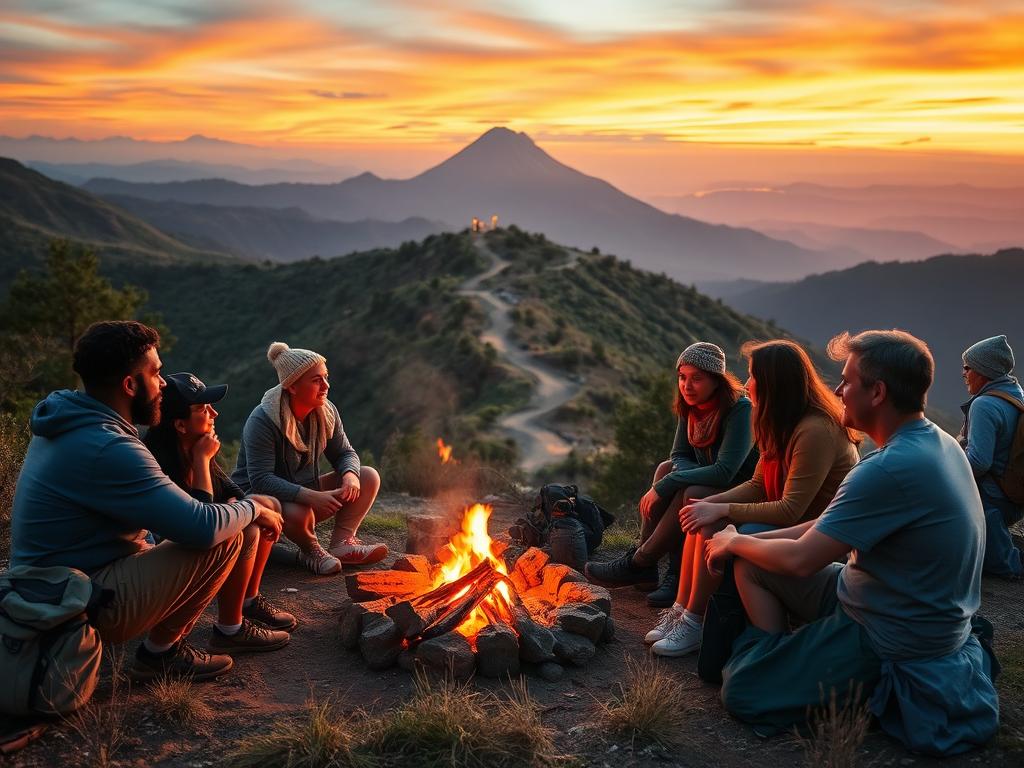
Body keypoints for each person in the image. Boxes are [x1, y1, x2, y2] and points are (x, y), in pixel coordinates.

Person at [705, 330, 997, 755]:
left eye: (847, 381)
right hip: (870, 593)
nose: (838, 390)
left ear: (877, 392)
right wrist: (745, 539)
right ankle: (789, 659)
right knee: (754, 555)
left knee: (742, 691)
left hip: (889, 631)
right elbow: (825, 526)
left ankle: (784, 667)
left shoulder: (888, 468)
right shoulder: (938, 441)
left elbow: (802, 560)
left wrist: (731, 541)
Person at [10, 321, 284, 681]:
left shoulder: (71, 421)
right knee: (226, 534)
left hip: (50, 587)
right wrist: (254, 507)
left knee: (229, 523)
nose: (163, 384)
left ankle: (178, 644)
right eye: (156, 373)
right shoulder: (109, 446)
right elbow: (202, 528)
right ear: (130, 385)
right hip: (73, 603)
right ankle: (161, 654)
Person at [646, 339, 859, 656]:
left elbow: (791, 510)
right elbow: (759, 485)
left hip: (814, 538)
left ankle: (693, 622)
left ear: (774, 383)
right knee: (702, 512)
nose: (746, 384)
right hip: (792, 522)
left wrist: (722, 510)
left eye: (753, 376)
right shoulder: (780, 421)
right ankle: (680, 610)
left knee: (712, 523)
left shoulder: (815, 431)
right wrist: (711, 505)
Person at [584, 342, 757, 605]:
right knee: (665, 469)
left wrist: (670, 482)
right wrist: (674, 477)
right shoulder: (691, 405)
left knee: (687, 487)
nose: (687, 386)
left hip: (741, 487)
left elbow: (725, 472)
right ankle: (647, 570)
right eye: (682, 377)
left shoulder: (739, 409)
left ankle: (650, 564)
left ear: (716, 380)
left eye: (697, 378)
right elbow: (678, 454)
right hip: (710, 480)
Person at [144, 372, 297, 652]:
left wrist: (249, 507)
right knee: (247, 527)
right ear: (180, 424)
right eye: (203, 409)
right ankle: (230, 629)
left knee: (266, 504)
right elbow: (198, 523)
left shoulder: (192, 448)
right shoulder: (160, 465)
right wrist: (202, 461)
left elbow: (233, 493)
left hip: (190, 551)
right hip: (164, 568)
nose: (214, 413)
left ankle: (248, 600)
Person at [232, 342, 385, 575]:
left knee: (367, 476)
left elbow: (345, 453)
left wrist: (350, 475)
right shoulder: (263, 420)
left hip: (304, 493)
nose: (326, 386)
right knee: (298, 512)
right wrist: (312, 497)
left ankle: (343, 543)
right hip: (260, 503)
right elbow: (261, 480)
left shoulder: (326, 411)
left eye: (325, 377)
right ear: (292, 387)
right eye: (316, 380)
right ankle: (311, 550)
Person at [958, 335, 1023, 579]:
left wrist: (944, 467)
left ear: (984, 371)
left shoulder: (985, 404)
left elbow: (978, 462)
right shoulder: (1016, 394)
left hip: (991, 502)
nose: (963, 373)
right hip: (1014, 500)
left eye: (967, 367)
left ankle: (1003, 558)